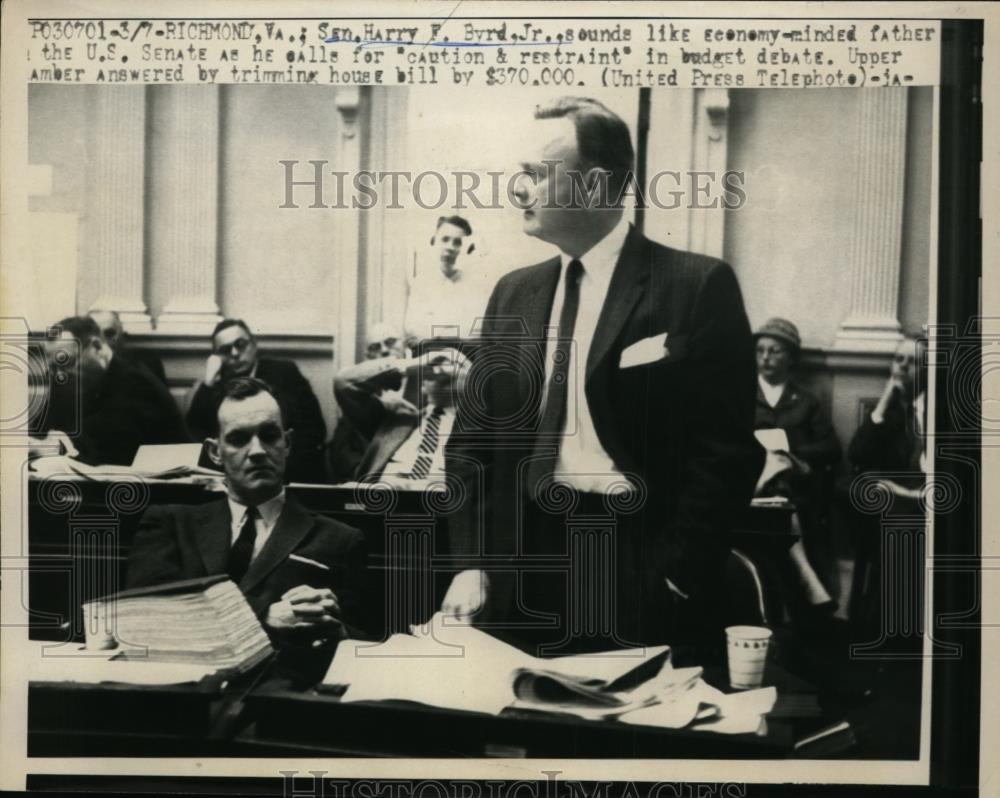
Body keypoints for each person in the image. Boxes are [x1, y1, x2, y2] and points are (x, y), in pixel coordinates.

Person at [441, 97, 763, 653]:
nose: (519, 190)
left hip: (635, 560)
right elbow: (470, 445)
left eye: (536, 175)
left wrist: (673, 575)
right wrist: (472, 564)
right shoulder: (512, 293)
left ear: (595, 186)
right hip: (519, 570)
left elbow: (728, 454)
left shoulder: (695, 286)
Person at [127, 377, 366, 647]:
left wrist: (340, 633)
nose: (257, 451)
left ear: (287, 444)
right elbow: (143, 616)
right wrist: (262, 617)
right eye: (239, 439)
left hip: (283, 687)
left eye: (269, 435)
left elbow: (364, 643)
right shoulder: (169, 523)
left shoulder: (340, 540)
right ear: (215, 452)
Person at [752, 317, 843, 623]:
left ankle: (788, 604)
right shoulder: (742, 397)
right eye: (761, 350)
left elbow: (831, 448)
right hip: (749, 484)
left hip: (796, 488)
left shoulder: (805, 401)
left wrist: (790, 454)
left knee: (783, 487)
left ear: (791, 357)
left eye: (774, 351)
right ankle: (806, 578)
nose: (765, 357)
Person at [29, 315, 188, 465]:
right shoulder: (71, 382)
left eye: (67, 362)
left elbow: (109, 442)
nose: (60, 375)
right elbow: (42, 433)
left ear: (97, 347)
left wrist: (55, 446)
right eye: (53, 368)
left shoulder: (135, 381)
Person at [185, 319, 327, 483]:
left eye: (240, 344)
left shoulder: (284, 372)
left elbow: (313, 429)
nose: (235, 353)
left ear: (254, 344)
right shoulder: (217, 385)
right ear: (216, 357)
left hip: (288, 469)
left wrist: (277, 465)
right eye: (225, 350)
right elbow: (194, 434)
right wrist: (208, 384)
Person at [334, 347, 469, 485]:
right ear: (423, 382)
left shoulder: (478, 429)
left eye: (457, 367)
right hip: (382, 499)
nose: (445, 372)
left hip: (438, 502)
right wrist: (410, 366)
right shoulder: (396, 418)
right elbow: (343, 383)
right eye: (435, 367)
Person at [403, 215, 490, 344]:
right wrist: (456, 332)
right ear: (434, 241)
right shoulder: (420, 284)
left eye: (457, 242)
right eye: (445, 239)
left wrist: (434, 334)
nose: (450, 247)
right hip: (427, 357)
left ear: (468, 249)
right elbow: (412, 331)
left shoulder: (476, 285)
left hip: (467, 356)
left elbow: (478, 330)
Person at [89, 309, 168, 386]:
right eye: (95, 335)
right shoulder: (81, 370)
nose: (103, 341)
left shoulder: (148, 363)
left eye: (109, 333)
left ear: (122, 334)